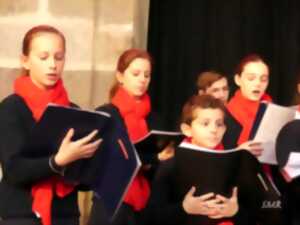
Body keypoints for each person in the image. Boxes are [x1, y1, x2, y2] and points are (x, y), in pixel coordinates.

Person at [0, 25, 101, 225]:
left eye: (59, 57)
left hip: (66, 216)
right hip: (22, 216)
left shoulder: (73, 110)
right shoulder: (12, 107)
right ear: (25, 61)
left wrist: (92, 162)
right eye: (44, 57)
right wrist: (58, 161)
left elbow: (83, 184)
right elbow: (14, 170)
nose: (53, 65)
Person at [147, 94, 262, 225]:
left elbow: (256, 216)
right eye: (205, 124)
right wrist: (184, 209)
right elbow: (152, 217)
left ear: (225, 129)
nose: (214, 130)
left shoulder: (236, 164)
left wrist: (235, 212)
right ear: (187, 129)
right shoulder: (171, 166)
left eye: (219, 124)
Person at [89, 48, 167, 225]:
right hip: (112, 204)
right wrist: (154, 157)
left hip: (146, 204)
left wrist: (162, 158)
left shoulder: (154, 118)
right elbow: (110, 159)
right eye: (136, 73)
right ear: (120, 76)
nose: (142, 79)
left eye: (147, 75)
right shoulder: (106, 114)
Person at [227, 54, 284, 225]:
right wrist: (239, 151)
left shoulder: (274, 111)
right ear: (238, 79)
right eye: (251, 78)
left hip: (270, 187)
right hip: (237, 192)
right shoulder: (225, 115)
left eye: (263, 79)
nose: (258, 84)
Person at [196, 70, 261, 152]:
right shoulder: (195, 117)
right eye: (215, 90)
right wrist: (239, 150)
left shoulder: (232, 113)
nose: (222, 95)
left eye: (225, 89)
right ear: (202, 93)